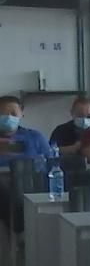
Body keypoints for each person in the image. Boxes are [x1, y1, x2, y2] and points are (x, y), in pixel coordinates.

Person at [0, 96, 54, 233]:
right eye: (3, 113)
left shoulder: (35, 137)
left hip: (31, 185)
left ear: (21, 115)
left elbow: (51, 163)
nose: (8, 117)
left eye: (13, 113)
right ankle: (20, 229)